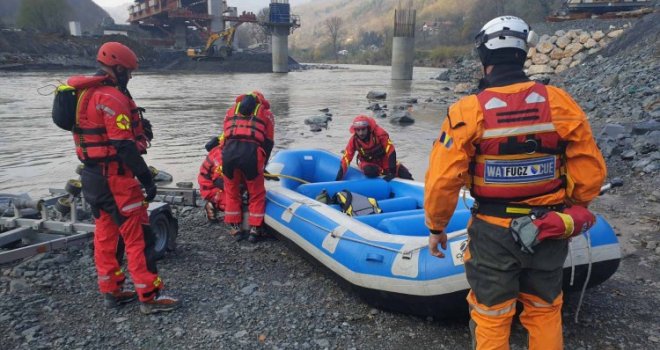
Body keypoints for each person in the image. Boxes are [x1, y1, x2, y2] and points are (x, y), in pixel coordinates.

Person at [424, 16, 606, 350]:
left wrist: (436, 227)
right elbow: (590, 170)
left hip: (493, 230)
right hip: (550, 225)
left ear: (484, 56)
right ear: (523, 53)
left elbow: (442, 180)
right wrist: (575, 207)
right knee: (545, 309)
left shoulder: (467, 111)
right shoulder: (559, 102)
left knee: (492, 314)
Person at [67, 42, 180, 314]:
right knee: (139, 237)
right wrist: (147, 178)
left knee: (105, 237)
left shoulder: (83, 95)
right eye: (127, 72)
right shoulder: (111, 97)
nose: (129, 77)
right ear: (117, 68)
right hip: (116, 180)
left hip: (92, 178)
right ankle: (149, 296)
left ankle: (112, 291)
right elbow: (124, 146)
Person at [222, 91, 275, 243]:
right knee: (256, 193)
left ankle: (235, 228)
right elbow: (269, 141)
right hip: (251, 154)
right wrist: (263, 164)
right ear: (260, 102)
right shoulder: (266, 114)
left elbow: (224, 136)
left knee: (232, 191)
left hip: (229, 154)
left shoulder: (231, 110)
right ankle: (254, 229)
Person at [335, 115, 413, 181]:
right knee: (370, 172)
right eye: (358, 130)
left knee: (406, 175)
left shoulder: (380, 134)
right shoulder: (354, 140)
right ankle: (382, 174)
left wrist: (392, 172)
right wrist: (338, 179)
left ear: (368, 128)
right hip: (368, 163)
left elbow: (391, 151)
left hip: (384, 161)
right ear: (355, 130)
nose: (361, 133)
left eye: (363, 129)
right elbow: (346, 159)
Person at [198, 134, 226, 222]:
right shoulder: (220, 155)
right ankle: (211, 204)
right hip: (210, 187)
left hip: (215, 182)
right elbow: (219, 181)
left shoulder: (225, 147)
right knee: (234, 203)